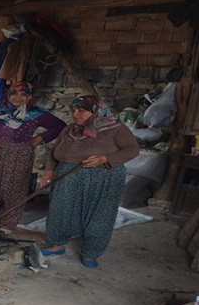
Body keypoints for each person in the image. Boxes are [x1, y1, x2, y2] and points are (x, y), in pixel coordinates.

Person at [39, 95, 139, 268]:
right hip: (68, 176)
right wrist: (49, 171)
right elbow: (54, 152)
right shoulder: (70, 129)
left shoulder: (115, 129)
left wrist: (106, 158)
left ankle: (91, 252)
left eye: (81, 111)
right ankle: (56, 245)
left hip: (104, 177)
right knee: (60, 210)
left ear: (96, 111)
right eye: (73, 111)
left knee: (99, 215)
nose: (76, 114)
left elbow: (133, 150)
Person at [0, 81, 66, 234]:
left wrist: (38, 139)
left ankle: (6, 224)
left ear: (29, 97)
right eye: (14, 93)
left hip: (19, 155)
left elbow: (60, 126)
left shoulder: (36, 114)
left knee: (14, 188)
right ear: (8, 95)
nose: (18, 98)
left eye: (23, 94)